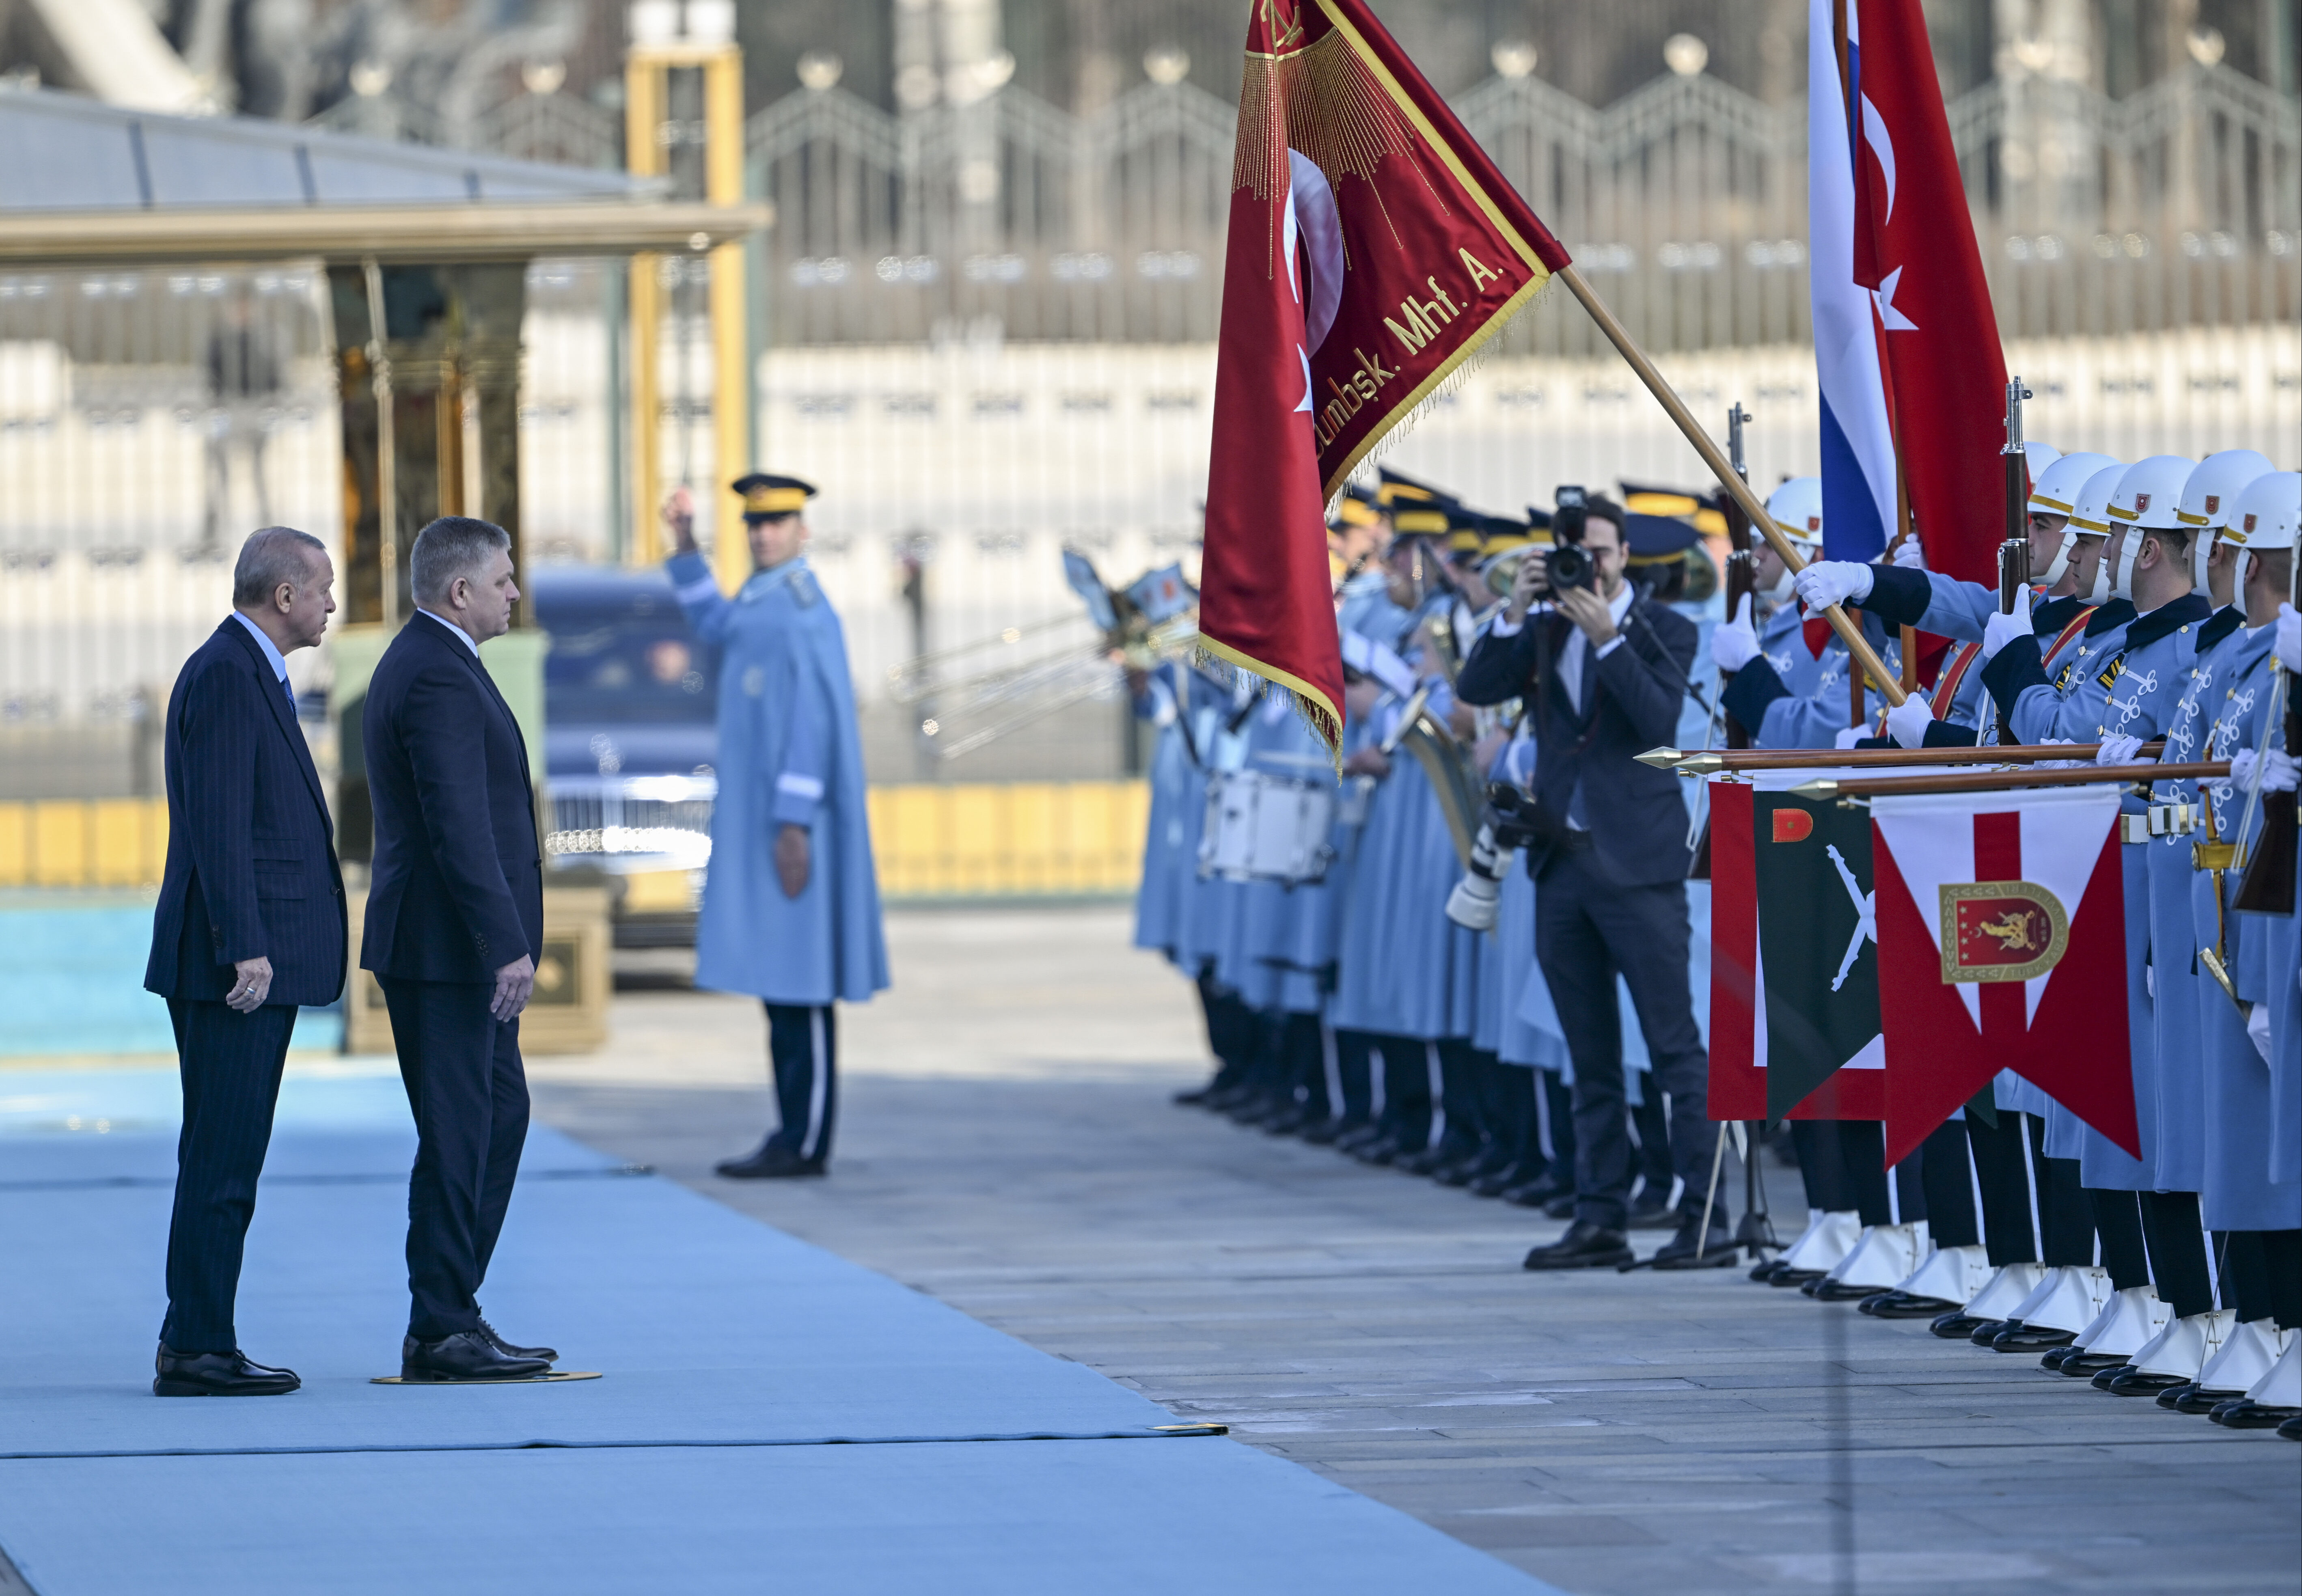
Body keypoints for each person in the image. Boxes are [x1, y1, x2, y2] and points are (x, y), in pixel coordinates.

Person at [1456, 491, 1720, 1271]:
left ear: (1626, 555)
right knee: (1590, 1054)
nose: (1586, 567)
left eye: (1599, 553)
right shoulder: (1541, 626)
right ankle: (1599, 1213)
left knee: (1675, 1048)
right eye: (1571, 553)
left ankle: (1703, 1218)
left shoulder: (1668, 627)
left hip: (1639, 867)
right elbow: (1476, 690)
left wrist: (1609, 642)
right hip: (1562, 861)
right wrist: (1513, 608)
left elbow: (1657, 724)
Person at [144, 526, 345, 1397]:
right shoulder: (229, 673)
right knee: (224, 1158)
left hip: (241, 956)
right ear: (287, 596)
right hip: (234, 966)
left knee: (225, 1154)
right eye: (325, 589)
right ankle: (198, 1346)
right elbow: (221, 822)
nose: (333, 604)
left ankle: (196, 1331)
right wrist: (246, 947)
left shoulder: (246, 668)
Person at [362, 515, 557, 1382]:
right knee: (457, 1133)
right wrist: (502, 943)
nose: (516, 592)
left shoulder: (440, 662)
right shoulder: (435, 674)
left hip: (456, 949)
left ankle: (452, 1311)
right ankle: (440, 1326)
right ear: (460, 591)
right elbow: (458, 825)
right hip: (449, 952)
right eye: (505, 579)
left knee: (497, 1118)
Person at [666, 473, 888, 1179]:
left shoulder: (802, 610)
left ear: (803, 531)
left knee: (802, 982)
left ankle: (805, 1139)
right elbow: (715, 624)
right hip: (769, 821)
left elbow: (813, 722)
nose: (763, 534)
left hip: (795, 827)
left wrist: (794, 822)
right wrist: (685, 546)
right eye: (755, 524)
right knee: (782, 984)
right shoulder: (763, 600)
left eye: (778, 522)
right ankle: (792, 1133)